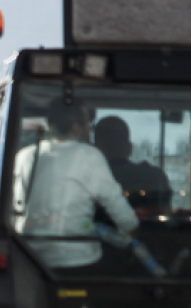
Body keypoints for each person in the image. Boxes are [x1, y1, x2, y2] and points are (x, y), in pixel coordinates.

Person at [13, 100, 139, 268]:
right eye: (88, 124)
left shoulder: (25, 157)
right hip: (79, 260)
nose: (89, 130)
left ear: (50, 125)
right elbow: (117, 207)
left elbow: (15, 207)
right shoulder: (89, 156)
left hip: (31, 257)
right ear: (76, 128)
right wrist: (134, 230)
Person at [94, 116, 171, 212]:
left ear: (95, 149)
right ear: (129, 148)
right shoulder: (154, 177)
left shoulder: (83, 179)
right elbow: (165, 218)